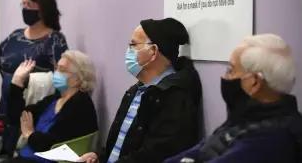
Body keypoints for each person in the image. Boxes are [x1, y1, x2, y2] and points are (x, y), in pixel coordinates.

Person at [164, 34, 302, 163]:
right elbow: (201, 151)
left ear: (254, 82)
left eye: (231, 71)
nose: (224, 77)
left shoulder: (272, 140)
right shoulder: (244, 119)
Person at [80, 17, 202, 163]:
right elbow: (118, 145)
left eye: (133, 44)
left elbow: (154, 156)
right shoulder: (136, 91)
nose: (128, 51)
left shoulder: (174, 97)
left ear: (153, 52)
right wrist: (99, 156)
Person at [0, 0, 69, 153]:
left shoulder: (55, 39)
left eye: (29, 4)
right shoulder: (16, 36)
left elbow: (61, 76)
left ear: (43, 8)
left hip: (31, 106)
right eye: (22, 4)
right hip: (6, 105)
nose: (25, 9)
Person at [4, 50, 98, 163]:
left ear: (78, 79)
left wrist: (29, 134)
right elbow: (16, 117)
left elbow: (52, 145)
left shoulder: (81, 104)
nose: (56, 73)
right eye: (56, 68)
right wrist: (17, 82)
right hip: (28, 158)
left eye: (62, 70)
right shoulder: (53, 100)